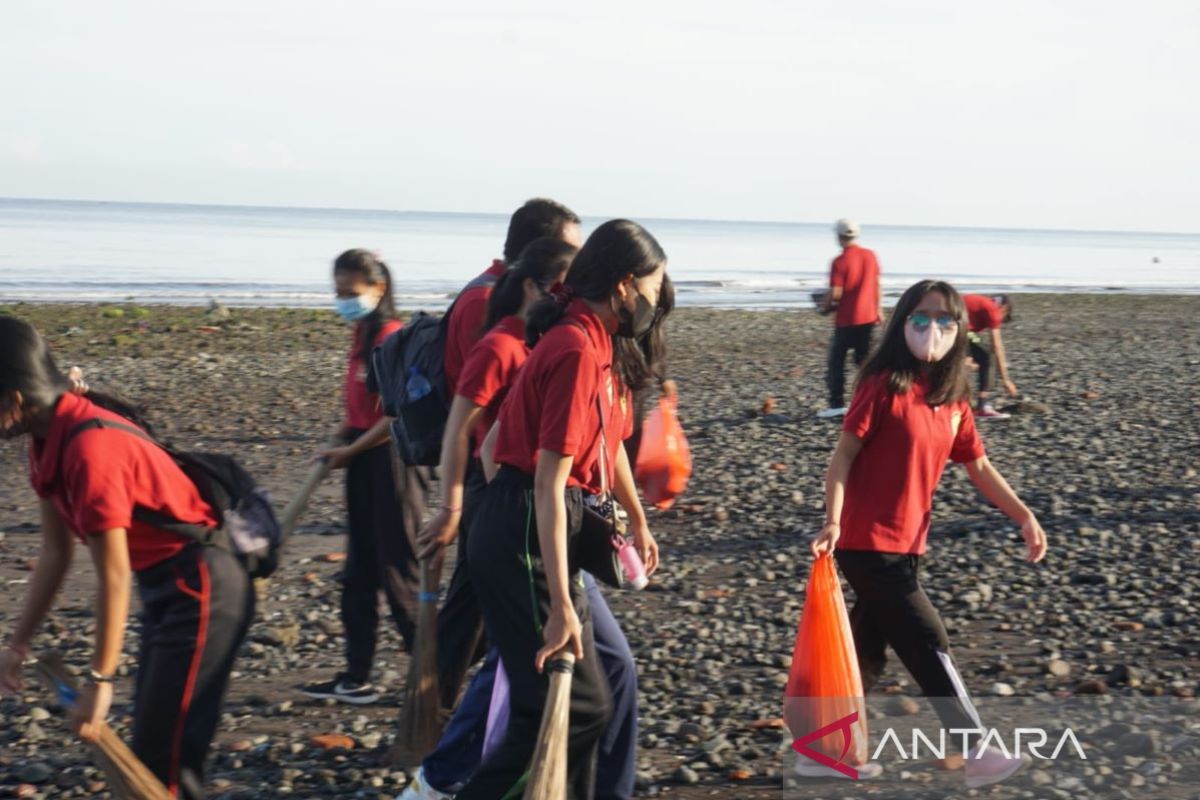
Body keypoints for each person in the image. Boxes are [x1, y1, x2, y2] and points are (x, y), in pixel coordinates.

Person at [450, 219, 666, 800]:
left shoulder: (595, 343)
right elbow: (546, 482)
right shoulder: (574, 348)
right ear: (624, 286)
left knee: (593, 697)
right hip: (527, 523)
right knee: (554, 706)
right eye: (651, 290)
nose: (653, 304)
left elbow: (503, 448)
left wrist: (636, 518)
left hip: (528, 523)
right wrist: (559, 601)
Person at [0, 317, 254, 799]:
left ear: (14, 399)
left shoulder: (89, 449)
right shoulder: (44, 440)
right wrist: (17, 646)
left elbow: (113, 575)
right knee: (154, 746)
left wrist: (100, 679)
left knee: (166, 760)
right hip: (166, 583)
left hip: (203, 585)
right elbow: (55, 553)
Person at [810, 279, 1048, 789]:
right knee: (927, 638)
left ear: (960, 329)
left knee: (864, 651)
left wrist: (1023, 515)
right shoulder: (883, 384)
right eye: (921, 317)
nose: (931, 329)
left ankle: (819, 749)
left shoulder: (953, 398)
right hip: (866, 542)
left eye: (944, 320)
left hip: (907, 544)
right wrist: (832, 520)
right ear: (902, 323)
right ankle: (976, 748)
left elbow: (979, 466)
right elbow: (843, 456)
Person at [299, 249, 425, 704]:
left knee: (399, 573)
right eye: (338, 292)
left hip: (392, 465)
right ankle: (356, 676)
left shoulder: (390, 337)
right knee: (359, 573)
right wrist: (340, 442)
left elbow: (395, 416)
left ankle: (432, 679)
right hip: (361, 460)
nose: (343, 300)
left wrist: (350, 449)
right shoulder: (361, 332)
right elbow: (359, 409)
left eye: (351, 293)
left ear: (379, 289)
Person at [443, 198, 583, 396]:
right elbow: (480, 394)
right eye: (569, 251)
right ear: (540, 249)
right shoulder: (483, 301)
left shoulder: (524, 297)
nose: (577, 261)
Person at [819, 218, 882, 419]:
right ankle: (870, 400)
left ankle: (836, 404)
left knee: (836, 362)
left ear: (839, 236)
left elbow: (836, 293)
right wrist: (878, 309)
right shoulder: (870, 256)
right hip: (869, 317)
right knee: (864, 363)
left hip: (847, 319)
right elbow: (876, 284)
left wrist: (824, 306)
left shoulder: (840, 262)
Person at [963, 294, 1018, 419]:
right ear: (1004, 308)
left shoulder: (983, 302)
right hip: (957, 330)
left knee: (981, 357)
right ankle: (981, 407)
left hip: (955, 327)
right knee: (987, 358)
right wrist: (1006, 380)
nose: (1000, 320)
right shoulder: (993, 310)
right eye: (1004, 317)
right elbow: (997, 346)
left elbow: (971, 335)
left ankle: (967, 402)